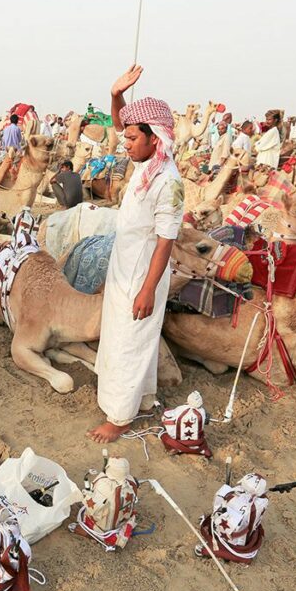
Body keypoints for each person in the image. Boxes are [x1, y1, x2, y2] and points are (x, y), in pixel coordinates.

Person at [89, 66, 183, 443]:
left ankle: (120, 418)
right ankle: (141, 399)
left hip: (143, 275)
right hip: (124, 268)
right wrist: (115, 95)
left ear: (153, 137)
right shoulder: (147, 166)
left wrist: (147, 289)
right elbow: (121, 124)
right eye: (125, 136)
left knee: (130, 340)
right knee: (124, 336)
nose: (124, 143)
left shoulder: (168, 182)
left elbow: (166, 242)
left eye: (131, 137)